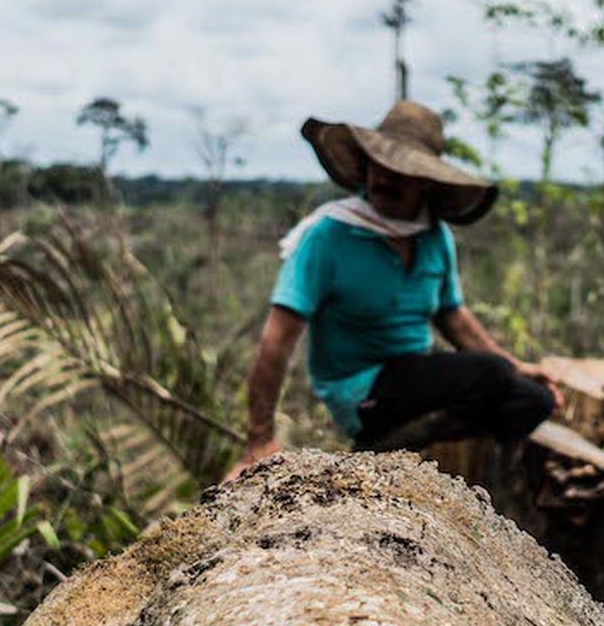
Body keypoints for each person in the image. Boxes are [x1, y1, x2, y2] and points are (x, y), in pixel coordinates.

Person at [225, 100, 560, 480]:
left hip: (414, 378)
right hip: (362, 390)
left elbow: (455, 319)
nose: (383, 179)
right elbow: (276, 340)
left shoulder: (435, 238)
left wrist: (518, 368)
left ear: (426, 183)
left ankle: (410, 444)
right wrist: (259, 438)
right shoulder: (328, 236)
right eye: (377, 167)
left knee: (534, 400)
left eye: (400, 173)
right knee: (491, 373)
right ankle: (381, 446)